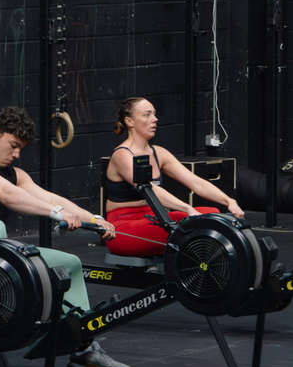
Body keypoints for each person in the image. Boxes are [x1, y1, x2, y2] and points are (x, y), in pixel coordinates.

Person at [0, 106, 132, 367]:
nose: (17, 154)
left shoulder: (16, 175)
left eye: (21, 148)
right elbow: (7, 195)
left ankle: (82, 348)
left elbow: (52, 199)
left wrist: (94, 220)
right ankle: (7, 301)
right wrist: (57, 214)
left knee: (68, 263)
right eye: (13, 146)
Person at [103, 97, 244, 257]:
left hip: (154, 218)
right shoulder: (123, 155)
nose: (154, 119)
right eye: (147, 114)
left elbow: (195, 182)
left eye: (154, 114)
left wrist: (229, 201)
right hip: (124, 228)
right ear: (130, 121)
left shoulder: (158, 153)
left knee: (212, 213)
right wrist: (187, 209)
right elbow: (151, 190)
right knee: (199, 226)